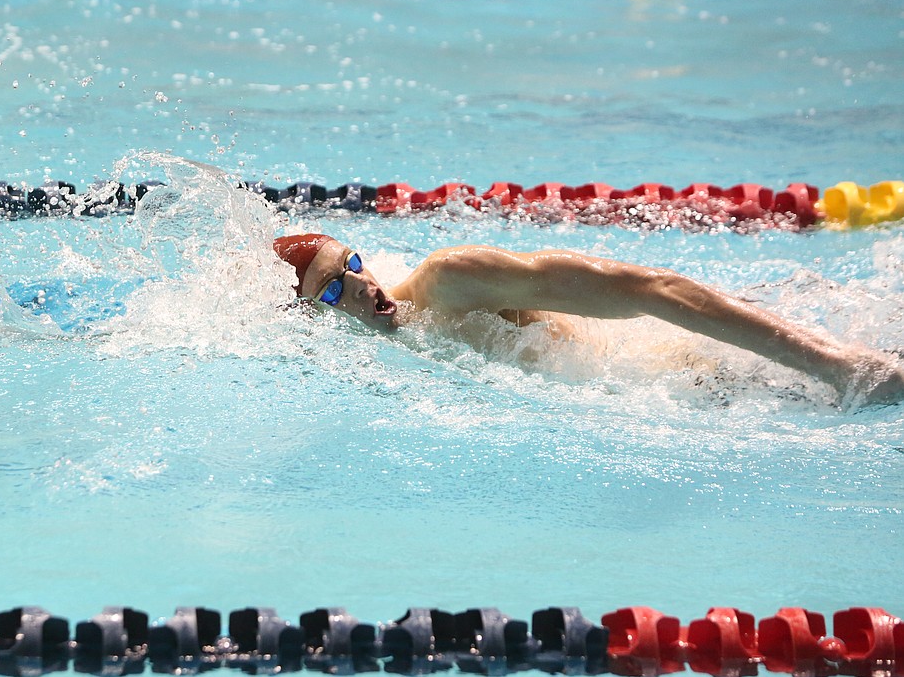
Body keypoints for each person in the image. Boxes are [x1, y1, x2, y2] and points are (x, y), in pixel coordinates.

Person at [272, 233, 904, 405]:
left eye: (352, 262)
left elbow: (654, 288)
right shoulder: (375, 364)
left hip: (699, 378)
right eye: (332, 290)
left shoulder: (452, 280)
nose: (361, 284)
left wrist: (837, 365)